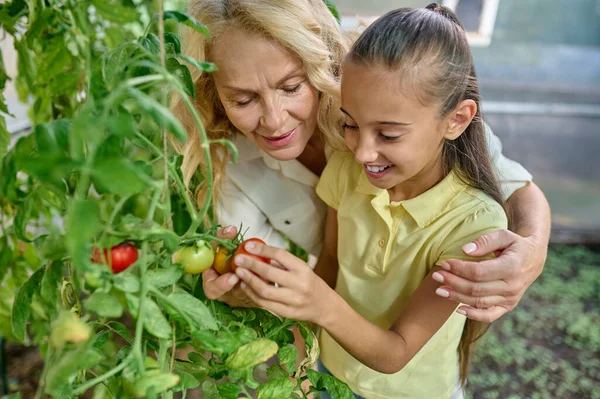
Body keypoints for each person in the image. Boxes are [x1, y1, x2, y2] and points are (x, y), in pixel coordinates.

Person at [172, 0, 550, 323]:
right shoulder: (229, 161)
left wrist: (532, 249)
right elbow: (283, 278)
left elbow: (514, 184)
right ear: (214, 93)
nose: (273, 119)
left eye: (291, 88)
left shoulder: (377, 88)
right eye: (243, 100)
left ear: (322, 65)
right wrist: (244, 291)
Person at [229, 4, 515, 397]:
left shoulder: (474, 225)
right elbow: (330, 263)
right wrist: (301, 351)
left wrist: (318, 303)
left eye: (389, 135)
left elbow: (395, 353)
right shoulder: (348, 173)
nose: (362, 152)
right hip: (329, 374)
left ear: (457, 120)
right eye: (350, 124)